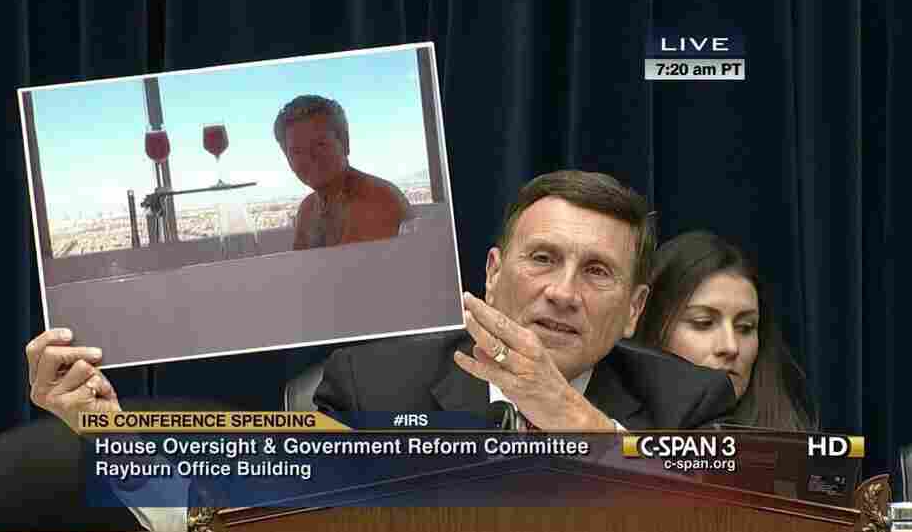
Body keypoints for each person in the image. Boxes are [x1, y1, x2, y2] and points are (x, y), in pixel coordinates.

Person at [314, 170, 736, 430]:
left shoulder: (688, 406)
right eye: (542, 259)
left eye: (597, 271)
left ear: (633, 310)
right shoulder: (369, 388)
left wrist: (578, 423)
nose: (563, 293)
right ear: (493, 274)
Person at [634, 231, 818, 431]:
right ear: (651, 324)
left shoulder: (794, 447)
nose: (731, 347)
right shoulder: (607, 431)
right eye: (703, 322)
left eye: (745, 328)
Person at [272, 94, 412, 250]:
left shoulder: (379, 201)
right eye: (297, 151)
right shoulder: (307, 210)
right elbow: (301, 271)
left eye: (320, 144)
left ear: (345, 143)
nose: (310, 156)